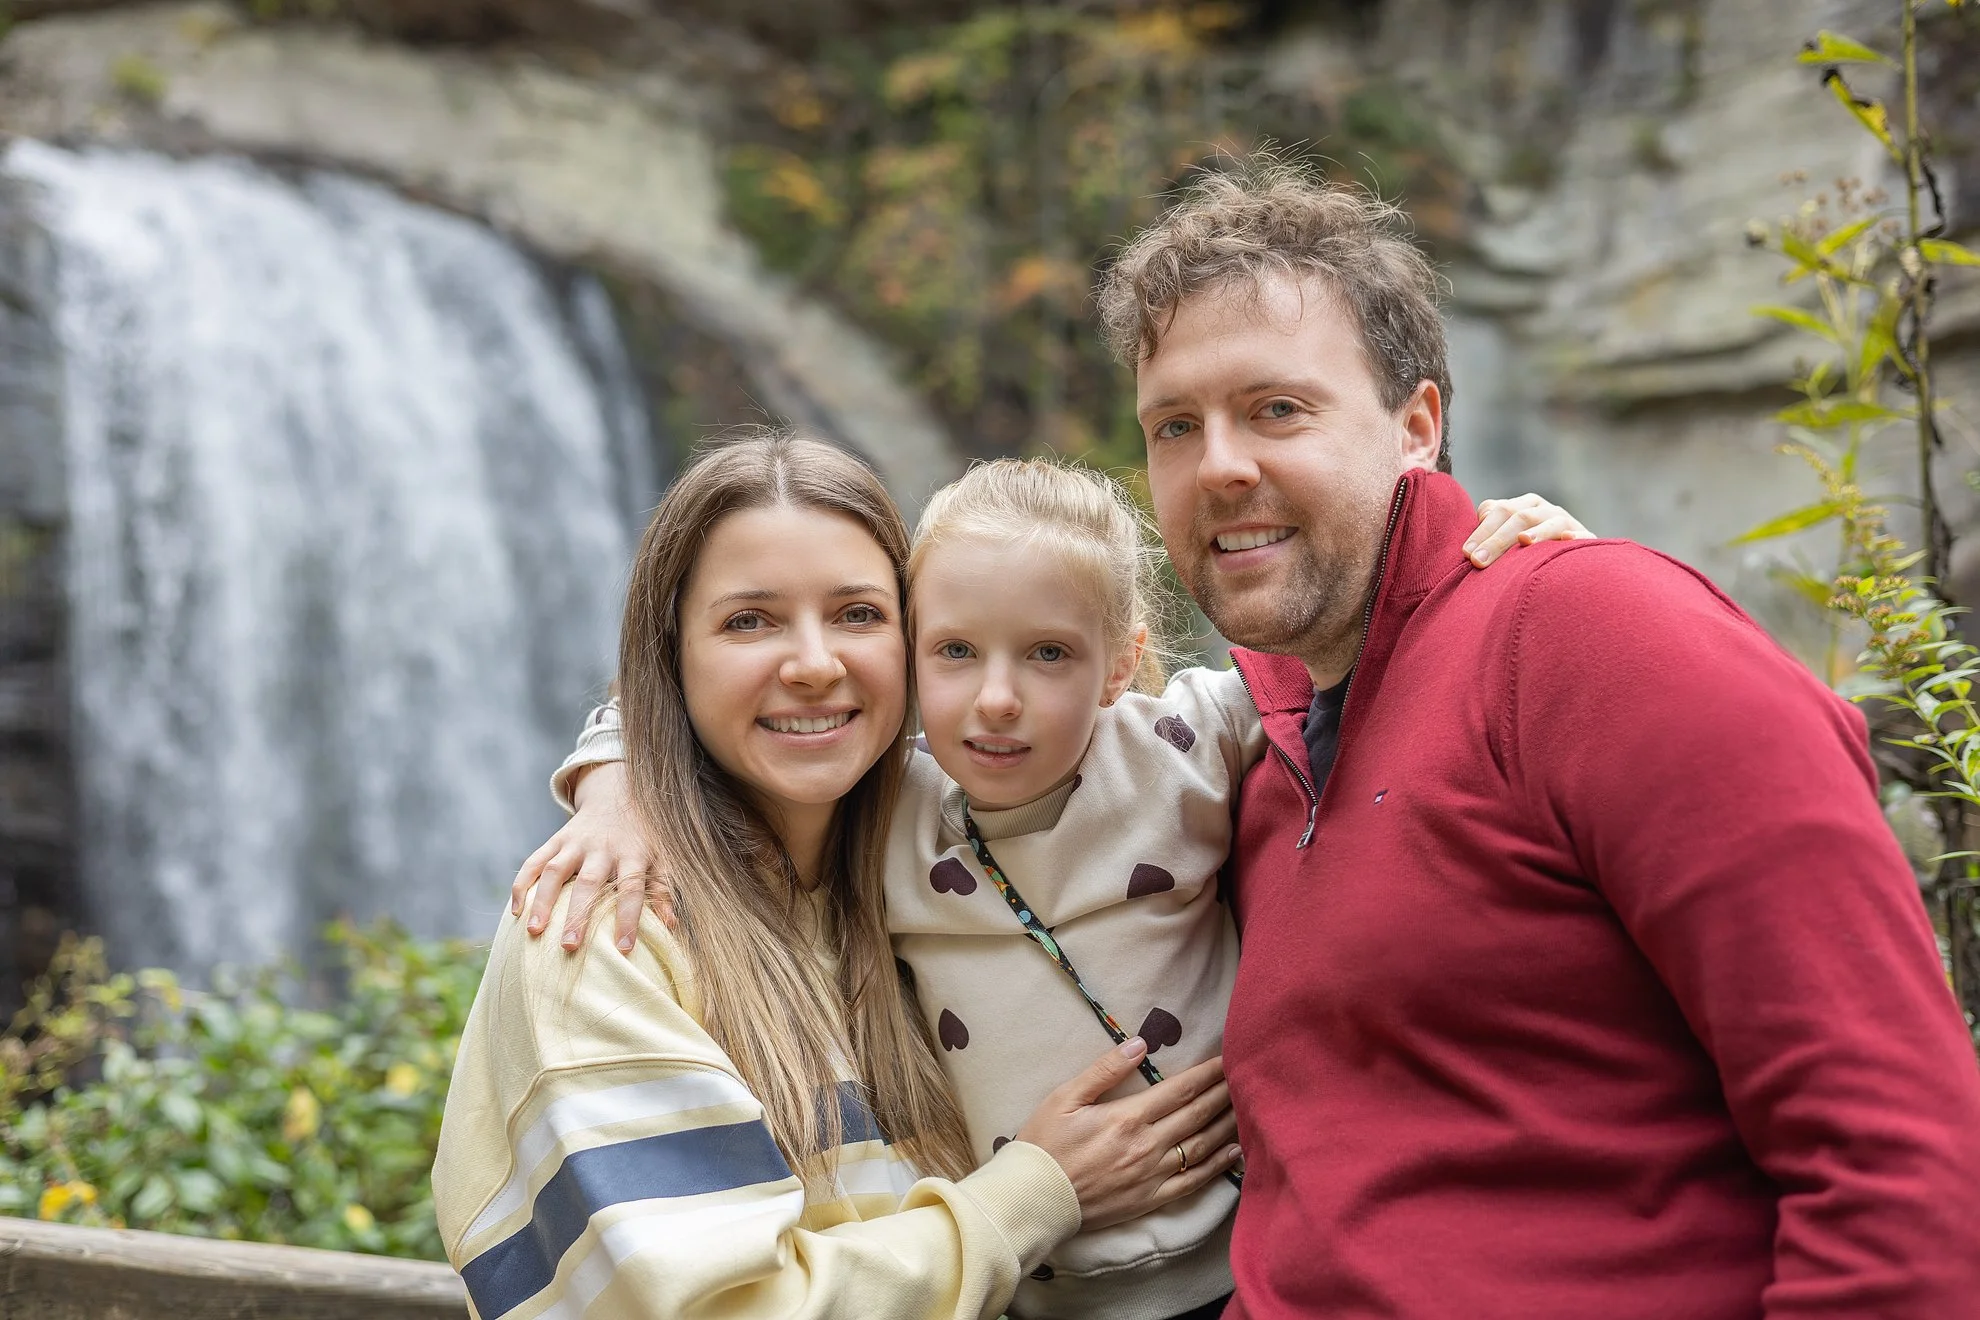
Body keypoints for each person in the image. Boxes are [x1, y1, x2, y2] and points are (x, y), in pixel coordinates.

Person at [1100, 158, 1980, 1316]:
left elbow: (1901, 1157)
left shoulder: (1597, 636)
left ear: (1418, 427)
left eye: (1277, 409)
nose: (1219, 465)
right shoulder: (1256, 765)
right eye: (1175, 426)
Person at [520, 456, 1589, 1320]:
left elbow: (1360, 654)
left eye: (1044, 653)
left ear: (1118, 664)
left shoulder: (1178, 745)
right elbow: (711, 693)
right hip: (1044, 1282)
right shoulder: (886, 806)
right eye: (953, 651)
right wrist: (616, 780)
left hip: (1253, 1266)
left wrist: (1498, 559)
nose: (995, 700)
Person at [433, 432, 1244, 1320]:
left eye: (858, 614)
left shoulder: (910, 864)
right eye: (750, 620)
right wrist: (1038, 1193)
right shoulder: (604, 924)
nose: (815, 664)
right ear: (670, 655)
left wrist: (613, 763)